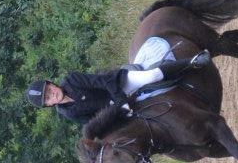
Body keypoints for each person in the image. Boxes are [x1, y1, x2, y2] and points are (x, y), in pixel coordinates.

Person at [26, 47, 211, 125]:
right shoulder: (69, 113)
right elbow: (95, 120)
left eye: (49, 90)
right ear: (49, 105)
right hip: (121, 109)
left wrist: (121, 101)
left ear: (52, 83)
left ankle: (192, 62)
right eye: (48, 98)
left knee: (152, 75)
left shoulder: (72, 80)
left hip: (119, 84)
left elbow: (102, 82)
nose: (53, 94)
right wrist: (119, 114)